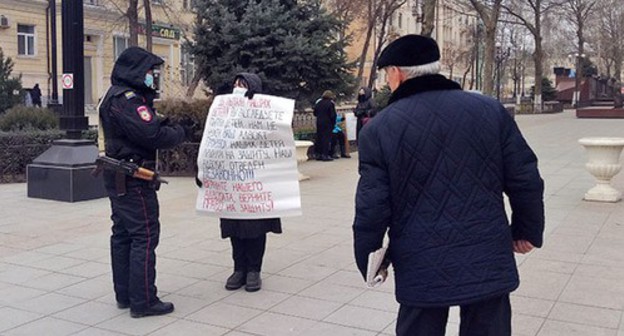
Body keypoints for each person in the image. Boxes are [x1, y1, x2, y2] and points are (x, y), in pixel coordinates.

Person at [352, 35, 544, 336]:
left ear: (397, 73)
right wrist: (526, 231)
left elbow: (372, 206)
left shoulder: (379, 129)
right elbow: (525, 177)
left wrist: (369, 258)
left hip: (420, 259)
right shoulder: (490, 110)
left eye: (386, 74)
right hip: (486, 252)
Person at [99, 46, 190, 318]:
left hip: (119, 176)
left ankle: (125, 295)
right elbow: (151, 136)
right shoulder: (129, 100)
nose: (153, 77)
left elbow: (142, 127)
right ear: (137, 72)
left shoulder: (114, 96)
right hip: (134, 178)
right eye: (150, 72)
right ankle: (144, 301)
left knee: (123, 235)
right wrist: (179, 132)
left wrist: (161, 123)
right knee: (144, 236)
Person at [197, 72, 282, 292]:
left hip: (255, 185)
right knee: (234, 229)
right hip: (230, 183)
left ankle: (254, 270)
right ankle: (239, 269)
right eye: (235, 84)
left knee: (255, 229)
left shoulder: (265, 114)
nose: (237, 88)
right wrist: (205, 170)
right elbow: (211, 142)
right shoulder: (221, 113)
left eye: (243, 85)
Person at [313, 90, 337, 161]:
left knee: (319, 138)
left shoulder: (319, 103)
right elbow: (333, 115)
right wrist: (333, 123)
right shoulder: (330, 104)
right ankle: (325, 155)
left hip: (319, 122)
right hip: (327, 123)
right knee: (326, 139)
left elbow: (315, 113)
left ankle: (318, 154)